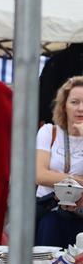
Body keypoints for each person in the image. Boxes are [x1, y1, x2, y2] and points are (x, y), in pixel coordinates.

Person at [35, 75, 83, 248]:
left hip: (81, 217)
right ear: (64, 105)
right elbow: (40, 175)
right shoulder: (49, 131)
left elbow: (48, 175)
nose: (80, 108)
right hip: (51, 214)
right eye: (74, 102)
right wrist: (77, 180)